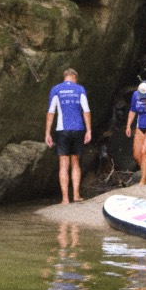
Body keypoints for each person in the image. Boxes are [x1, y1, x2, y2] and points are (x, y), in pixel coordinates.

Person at [45, 68, 92, 203]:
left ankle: (65, 199)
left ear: (65, 77)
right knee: (75, 162)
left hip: (62, 130)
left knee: (63, 164)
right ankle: (76, 195)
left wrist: (47, 133)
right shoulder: (80, 89)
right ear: (74, 77)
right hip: (78, 129)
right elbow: (86, 110)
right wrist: (89, 130)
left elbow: (51, 112)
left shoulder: (56, 89)